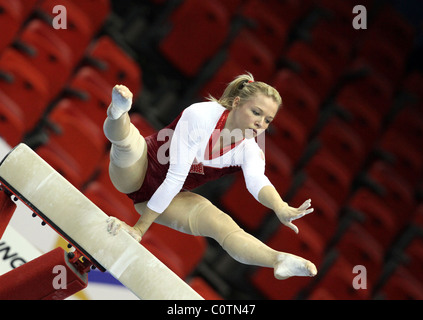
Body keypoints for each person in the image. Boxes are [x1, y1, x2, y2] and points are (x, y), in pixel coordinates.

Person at [104, 73, 317, 280]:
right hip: (140, 167)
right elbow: (175, 177)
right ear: (236, 103)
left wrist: (279, 206)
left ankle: (278, 260)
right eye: (256, 112)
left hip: (163, 199)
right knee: (127, 144)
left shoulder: (250, 150)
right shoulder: (201, 116)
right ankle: (119, 112)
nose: (261, 123)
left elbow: (257, 182)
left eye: (268, 120)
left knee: (220, 222)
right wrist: (138, 229)